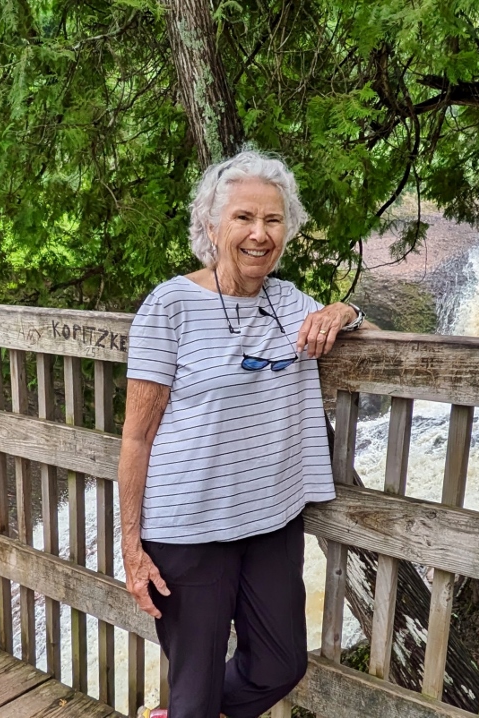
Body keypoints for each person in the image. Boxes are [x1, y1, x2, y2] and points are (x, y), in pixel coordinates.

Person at [119, 148, 364, 718]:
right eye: (243, 218)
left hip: (270, 522)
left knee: (282, 663)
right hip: (188, 530)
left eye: (273, 220)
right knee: (196, 689)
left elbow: (363, 326)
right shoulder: (171, 305)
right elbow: (136, 437)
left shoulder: (290, 301)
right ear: (211, 226)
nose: (260, 234)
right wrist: (131, 550)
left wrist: (343, 311)